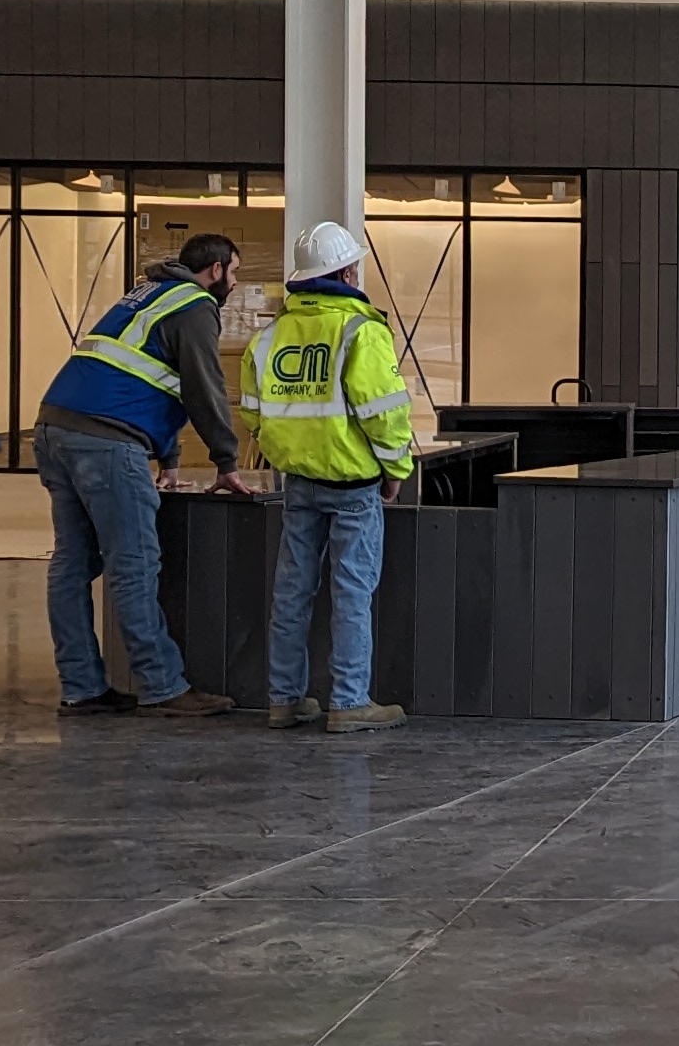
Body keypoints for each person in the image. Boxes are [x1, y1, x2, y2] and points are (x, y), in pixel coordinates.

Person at [32, 234, 246, 717]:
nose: (234, 283)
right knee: (134, 564)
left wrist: (167, 460)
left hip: (54, 427)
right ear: (214, 270)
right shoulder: (195, 304)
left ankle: (81, 686)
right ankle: (163, 685)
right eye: (233, 272)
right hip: (107, 441)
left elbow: (150, 376)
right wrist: (226, 461)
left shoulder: (145, 294)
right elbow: (203, 386)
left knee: (71, 564)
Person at [241, 220, 414, 734]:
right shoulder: (361, 330)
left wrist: (291, 453)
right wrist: (395, 469)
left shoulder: (270, 335)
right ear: (349, 271)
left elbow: (253, 413)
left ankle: (284, 700)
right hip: (354, 486)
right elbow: (383, 413)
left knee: (291, 594)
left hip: (297, 483)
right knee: (352, 593)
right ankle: (348, 701)